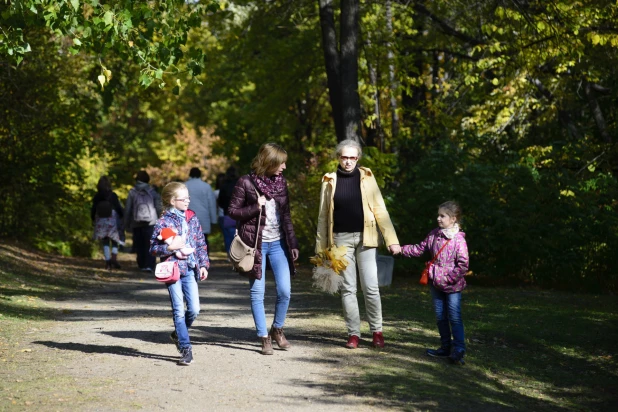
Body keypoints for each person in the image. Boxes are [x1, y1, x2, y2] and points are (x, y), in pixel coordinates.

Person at [315, 139, 400, 349]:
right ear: (338, 158)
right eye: (344, 157)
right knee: (348, 289)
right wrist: (320, 252)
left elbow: (380, 209)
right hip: (340, 240)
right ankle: (353, 334)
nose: (348, 162)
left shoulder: (367, 178)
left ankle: (377, 331)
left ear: (358, 158)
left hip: (367, 238)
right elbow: (323, 217)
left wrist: (392, 240)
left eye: (352, 157)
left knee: (371, 287)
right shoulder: (329, 180)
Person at [228, 144, 299, 355]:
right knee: (257, 292)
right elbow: (232, 211)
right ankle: (263, 337)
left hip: (278, 244)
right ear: (268, 162)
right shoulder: (246, 182)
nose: (284, 167)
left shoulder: (281, 183)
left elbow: (286, 216)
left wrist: (293, 244)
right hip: (255, 246)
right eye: (281, 162)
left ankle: (277, 329)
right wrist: (254, 207)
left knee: (285, 291)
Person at [400, 201, 469, 365]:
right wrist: (401, 249)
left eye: (442, 216)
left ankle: (458, 350)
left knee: (454, 317)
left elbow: (463, 264)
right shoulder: (434, 235)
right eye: (438, 215)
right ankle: (445, 347)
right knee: (440, 317)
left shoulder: (459, 240)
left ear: (453, 219)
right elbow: (419, 248)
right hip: (435, 284)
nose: (438, 218)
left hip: (452, 287)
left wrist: (449, 279)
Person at [149, 182, 210, 366]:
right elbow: (153, 248)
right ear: (172, 201)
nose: (188, 201)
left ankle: (177, 334)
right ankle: (185, 348)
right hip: (172, 270)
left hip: (190, 269)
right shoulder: (163, 222)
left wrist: (203, 264)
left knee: (194, 309)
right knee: (178, 310)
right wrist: (169, 247)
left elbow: (200, 243)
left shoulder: (192, 218)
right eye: (184, 199)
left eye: (188, 198)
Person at [125, 170, 162, 272]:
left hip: (136, 222)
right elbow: (158, 206)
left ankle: (141, 265)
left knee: (139, 244)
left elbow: (128, 208)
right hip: (151, 222)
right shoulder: (152, 191)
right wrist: (161, 219)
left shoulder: (132, 192)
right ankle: (149, 265)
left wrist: (126, 222)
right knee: (150, 244)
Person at [91, 176, 124, 270]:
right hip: (112, 220)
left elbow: (93, 209)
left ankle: (108, 262)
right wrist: (122, 216)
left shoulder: (97, 196)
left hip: (101, 220)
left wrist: (93, 218)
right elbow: (118, 207)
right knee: (114, 241)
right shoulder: (113, 195)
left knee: (105, 241)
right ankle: (114, 258)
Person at [185, 167, 218, 251]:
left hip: (188, 217)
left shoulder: (185, 185)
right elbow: (211, 204)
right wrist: (213, 220)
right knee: (203, 239)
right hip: (204, 217)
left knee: (189, 239)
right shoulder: (206, 186)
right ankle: (204, 259)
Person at [217, 166, 239, 254]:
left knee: (228, 237)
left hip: (228, 214)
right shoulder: (241, 184)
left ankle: (230, 255)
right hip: (241, 215)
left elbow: (220, 202)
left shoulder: (224, 186)